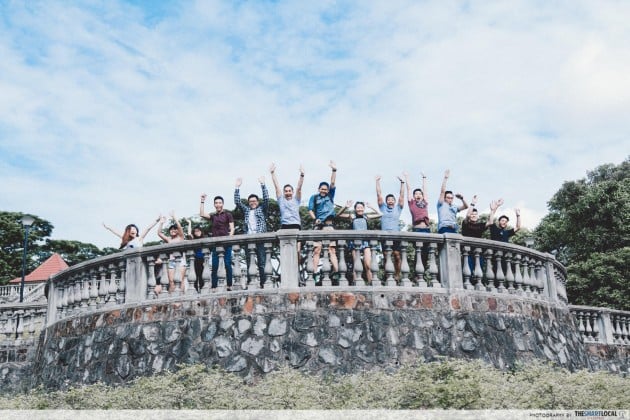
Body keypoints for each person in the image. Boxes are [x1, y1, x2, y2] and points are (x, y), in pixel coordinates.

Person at [235, 176, 270, 288]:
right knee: (249, 261)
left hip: (260, 238)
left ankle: (263, 283)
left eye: (254, 201)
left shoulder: (261, 209)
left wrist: (263, 185)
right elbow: (238, 202)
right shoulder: (246, 210)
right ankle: (251, 283)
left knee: (262, 262)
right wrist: (237, 187)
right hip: (248, 239)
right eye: (250, 201)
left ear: (258, 202)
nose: (252, 203)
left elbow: (266, 199)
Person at [337, 200, 381, 284]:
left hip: (365, 242)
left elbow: (380, 214)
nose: (360, 209)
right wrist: (345, 207)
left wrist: (371, 207)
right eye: (358, 207)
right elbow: (338, 214)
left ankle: (371, 283)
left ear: (364, 208)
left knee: (368, 264)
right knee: (356, 264)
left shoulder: (366, 217)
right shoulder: (352, 216)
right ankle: (356, 283)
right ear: (355, 209)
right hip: (355, 242)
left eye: (361, 207)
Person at [200, 194, 235, 291]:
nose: (218, 204)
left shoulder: (228, 215)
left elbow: (232, 229)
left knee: (227, 264)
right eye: (216, 203)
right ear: (214, 205)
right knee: (215, 265)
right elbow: (202, 214)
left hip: (226, 243)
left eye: (220, 203)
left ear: (222, 204)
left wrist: (229, 238)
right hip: (215, 244)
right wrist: (202, 201)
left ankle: (229, 285)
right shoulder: (213, 216)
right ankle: (214, 286)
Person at [308, 161, 338, 273]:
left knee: (332, 250)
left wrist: (334, 170)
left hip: (329, 226)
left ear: (328, 190)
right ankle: (314, 273)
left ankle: (337, 273)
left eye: (325, 189)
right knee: (316, 250)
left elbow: (333, 183)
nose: (324, 190)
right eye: (322, 189)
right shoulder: (314, 197)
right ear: (319, 189)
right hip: (319, 225)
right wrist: (315, 219)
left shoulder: (330, 196)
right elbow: (310, 210)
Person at [376, 174, 405, 279]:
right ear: (386, 201)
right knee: (386, 256)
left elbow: (402, 196)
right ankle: (388, 276)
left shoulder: (398, 208)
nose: (390, 201)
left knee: (397, 255)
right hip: (385, 236)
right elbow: (379, 195)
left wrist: (402, 183)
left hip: (395, 236)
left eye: (392, 199)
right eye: (388, 199)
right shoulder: (383, 208)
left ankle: (397, 275)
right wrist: (377, 182)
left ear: (394, 201)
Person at [461, 197, 502, 272]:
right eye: (472, 214)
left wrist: (493, 209)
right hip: (468, 252)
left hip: (479, 252)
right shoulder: (465, 223)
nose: (473, 215)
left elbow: (490, 222)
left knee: (479, 272)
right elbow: (467, 215)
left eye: (475, 214)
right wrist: (473, 203)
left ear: (478, 216)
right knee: (468, 272)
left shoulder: (480, 225)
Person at [157, 212, 186, 293]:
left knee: (180, 280)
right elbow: (159, 233)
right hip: (171, 262)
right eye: (171, 229)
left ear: (177, 231)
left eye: (174, 229)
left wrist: (174, 217)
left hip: (180, 261)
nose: (173, 230)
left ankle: (182, 297)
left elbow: (179, 226)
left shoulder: (181, 237)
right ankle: (172, 297)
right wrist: (161, 223)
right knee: (171, 281)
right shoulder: (169, 239)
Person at [270, 163, 304, 230]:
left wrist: (302, 175)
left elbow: (299, 188)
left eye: (289, 191)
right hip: (284, 225)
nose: (288, 192)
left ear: (292, 192)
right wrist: (272, 173)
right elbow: (277, 187)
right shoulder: (281, 200)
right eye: (286, 191)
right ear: (283, 192)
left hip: (296, 224)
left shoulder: (296, 200)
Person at [437, 169, 468, 233]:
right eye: (448, 198)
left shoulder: (454, 206)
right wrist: (445, 178)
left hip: (454, 229)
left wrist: (462, 198)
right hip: (444, 228)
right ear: (444, 198)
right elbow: (442, 192)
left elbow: (466, 207)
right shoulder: (441, 204)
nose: (450, 199)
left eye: (452, 198)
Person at [187, 220, 206, 293]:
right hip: (195, 259)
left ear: (201, 231)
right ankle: (195, 291)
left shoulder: (205, 239)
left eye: (198, 231)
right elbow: (189, 234)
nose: (197, 232)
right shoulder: (193, 239)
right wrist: (189, 223)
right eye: (195, 231)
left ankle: (202, 291)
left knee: (202, 276)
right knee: (195, 276)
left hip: (203, 260)